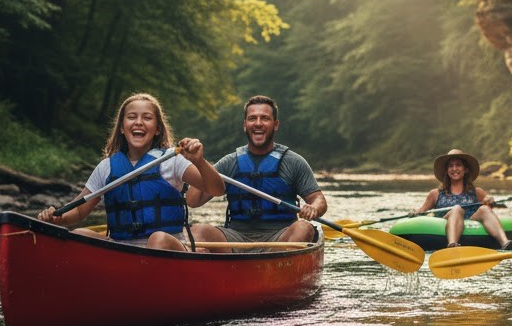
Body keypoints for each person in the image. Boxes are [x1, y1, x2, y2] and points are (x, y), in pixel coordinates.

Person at [37, 92, 225, 251]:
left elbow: (216, 189)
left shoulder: (172, 160)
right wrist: (58, 218)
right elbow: (78, 211)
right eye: (132, 117)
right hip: (121, 248)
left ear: (157, 129)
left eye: (147, 118)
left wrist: (199, 162)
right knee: (78, 235)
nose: (139, 122)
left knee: (157, 239)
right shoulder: (107, 167)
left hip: (167, 247)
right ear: (121, 127)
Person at [186, 94, 327, 248]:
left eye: (264, 118)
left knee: (303, 227)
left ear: (276, 124)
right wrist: (198, 163)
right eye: (252, 118)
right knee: (196, 231)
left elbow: (318, 199)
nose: (258, 123)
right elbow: (193, 201)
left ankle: (274, 264)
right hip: (236, 236)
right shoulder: (229, 163)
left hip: (281, 236)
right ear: (245, 125)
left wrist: (313, 208)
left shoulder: (293, 162)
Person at [416, 149, 512, 251]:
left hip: (471, 221)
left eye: (458, 165)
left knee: (484, 209)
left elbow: (492, 206)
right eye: (451, 166)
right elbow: (421, 212)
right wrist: (415, 212)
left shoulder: (477, 192)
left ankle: (505, 242)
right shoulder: (435, 194)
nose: (454, 169)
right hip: (444, 224)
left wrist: (490, 202)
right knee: (457, 209)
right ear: (446, 170)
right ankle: (452, 244)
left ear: (466, 169)